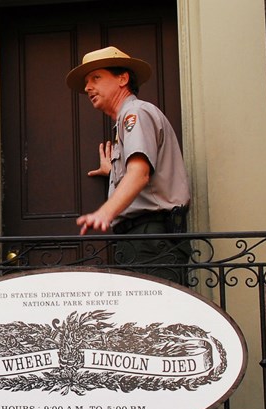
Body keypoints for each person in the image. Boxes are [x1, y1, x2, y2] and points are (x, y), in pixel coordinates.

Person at [69, 46, 192, 285]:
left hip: (150, 238)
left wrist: (105, 212)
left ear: (122, 78)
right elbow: (138, 170)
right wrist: (113, 170)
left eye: (96, 77)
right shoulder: (128, 118)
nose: (87, 88)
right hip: (142, 239)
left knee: (156, 318)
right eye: (86, 82)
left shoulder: (134, 113)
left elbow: (140, 173)